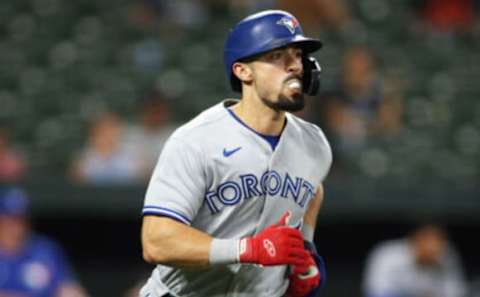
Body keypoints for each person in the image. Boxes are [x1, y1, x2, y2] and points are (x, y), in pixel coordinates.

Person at [139, 10, 332, 297]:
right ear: (243, 71)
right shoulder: (197, 140)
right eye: (278, 56)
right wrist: (248, 249)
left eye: (297, 55)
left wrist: (305, 250)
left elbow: (313, 189)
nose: (295, 66)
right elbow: (156, 241)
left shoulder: (314, 144)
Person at [0, 186, 90, 297]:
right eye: (10, 218)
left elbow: (67, 289)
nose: (16, 226)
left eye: (21, 218)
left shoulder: (44, 250)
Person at [363, 223, 468, 297]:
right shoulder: (387, 254)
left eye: (440, 246)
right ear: (418, 240)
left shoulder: (446, 256)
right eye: (431, 246)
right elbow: (375, 292)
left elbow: (457, 292)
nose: (437, 253)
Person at [71, 112, 144, 185]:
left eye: (112, 130)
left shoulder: (133, 156)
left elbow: (142, 181)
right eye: (103, 131)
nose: (108, 135)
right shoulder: (83, 160)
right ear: (94, 133)